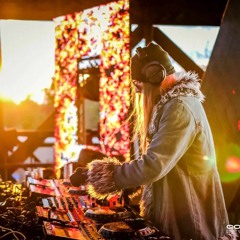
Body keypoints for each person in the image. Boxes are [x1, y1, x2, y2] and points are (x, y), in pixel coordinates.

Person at [70, 42, 229, 239]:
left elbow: (154, 165)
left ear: (155, 75)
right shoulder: (171, 105)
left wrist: (100, 175)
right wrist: (128, 180)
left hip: (192, 222)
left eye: (138, 85)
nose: (138, 92)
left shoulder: (179, 108)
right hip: (179, 214)